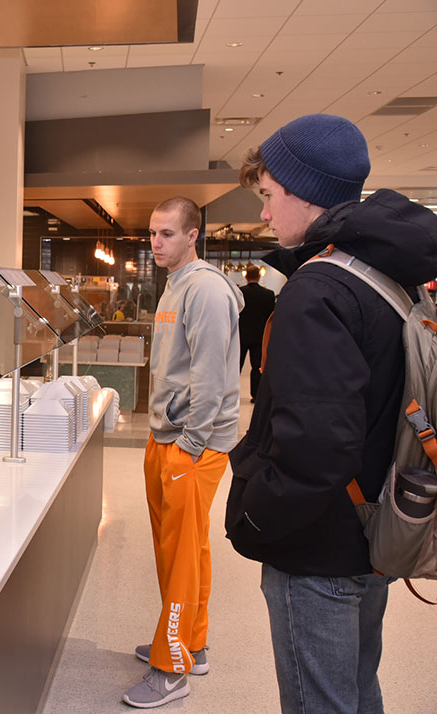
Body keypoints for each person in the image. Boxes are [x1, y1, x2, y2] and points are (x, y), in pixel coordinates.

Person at [225, 114, 437, 713]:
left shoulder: (318, 290)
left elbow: (315, 446)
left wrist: (256, 517)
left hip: (316, 552)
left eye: (268, 196)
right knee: (357, 690)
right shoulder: (390, 277)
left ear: (304, 191)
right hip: (374, 529)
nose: (264, 214)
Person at [124, 197, 244, 709]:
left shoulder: (209, 291)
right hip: (167, 437)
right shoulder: (174, 285)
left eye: (167, 234)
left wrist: (191, 445)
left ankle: (170, 670)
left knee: (179, 560)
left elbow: (213, 379)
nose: (156, 243)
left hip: (192, 445)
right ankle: (189, 644)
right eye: (152, 233)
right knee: (184, 549)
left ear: (193, 235)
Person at [237, 265, 275, 402]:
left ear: (246, 276)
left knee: (236, 367)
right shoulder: (268, 295)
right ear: (259, 276)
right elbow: (271, 317)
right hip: (259, 335)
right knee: (257, 367)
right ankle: (256, 395)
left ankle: (231, 394)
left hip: (241, 335)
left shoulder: (239, 293)